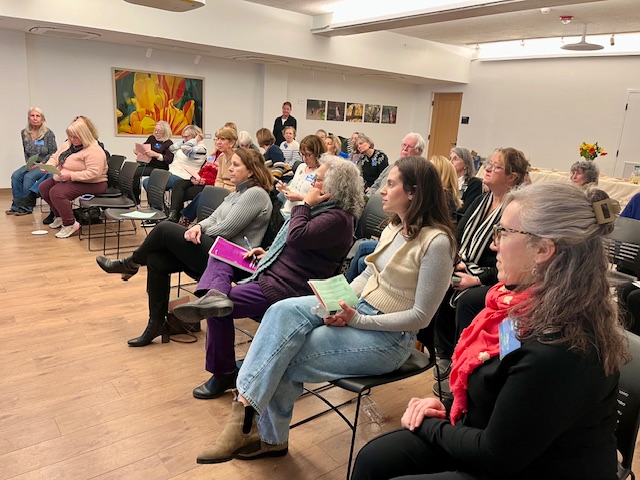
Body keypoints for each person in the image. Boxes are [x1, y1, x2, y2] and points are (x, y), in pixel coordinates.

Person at [352, 182, 628, 480]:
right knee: (375, 459)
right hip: (495, 440)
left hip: (529, 466)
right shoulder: (520, 309)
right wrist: (447, 406)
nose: (494, 244)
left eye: (504, 232)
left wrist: (428, 424)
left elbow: (495, 455)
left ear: (543, 250)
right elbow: (496, 378)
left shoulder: (561, 347)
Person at [190, 156, 456, 464]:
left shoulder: (437, 243)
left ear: (413, 192)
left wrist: (357, 319)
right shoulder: (395, 227)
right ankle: (250, 420)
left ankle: (257, 430)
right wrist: (337, 302)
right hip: (360, 310)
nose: (382, 190)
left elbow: (421, 316)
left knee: (286, 353)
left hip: (389, 339)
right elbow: (368, 276)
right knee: (280, 312)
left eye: (391, 184)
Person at [173, 156, 363, 400]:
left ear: (334, 188)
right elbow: (296, 245)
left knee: (218, 311)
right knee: (222, 254)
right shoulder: (324, 210)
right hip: (273, 268)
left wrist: (304, 203)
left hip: (287, 287)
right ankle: (214, 294)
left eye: (318, 180)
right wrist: (269, 252)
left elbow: (297, 236)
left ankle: (223, 373)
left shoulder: (338, 219)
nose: (312, 184)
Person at [95, 148, 274, 347]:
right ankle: (156, 324)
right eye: (231, 164)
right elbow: (213, 218)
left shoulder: (255, 194)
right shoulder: (238, 192)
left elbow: (226, 229)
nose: (230, 169)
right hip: (217, 251)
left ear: (251, 171)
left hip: (232, 261)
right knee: (156, 260)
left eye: (236, 165)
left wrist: (198, 232)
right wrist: (198, 227)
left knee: (164, 228)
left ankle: (131, 263)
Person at [433, 147, 530, 398]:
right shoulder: (481, 201)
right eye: (488, 163)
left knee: (467, 299)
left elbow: (510, 260)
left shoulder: (516, 211)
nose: (487, 168)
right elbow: (458, 235)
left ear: (512, 177)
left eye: (495, 166)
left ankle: (463, 363)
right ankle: (445, 354)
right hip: (468, 266)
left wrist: (476, 279)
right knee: (440, 280)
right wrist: (455, 262)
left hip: (496, 277)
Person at [38, 119, 107, 239]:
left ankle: (70, 224)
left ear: (84, 136)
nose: (72, 139)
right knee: (44, 188)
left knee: (57, 193)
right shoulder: (68, 144)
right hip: (68, 178)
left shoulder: (94, 150)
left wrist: (71, 176)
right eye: (70, 136)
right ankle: (59, 216)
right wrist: (49, 166)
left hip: (93, 183)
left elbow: (94, 173)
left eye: (75, 137)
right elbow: (55, 157)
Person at [7, 107, 58, 215]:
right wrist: (28, 163)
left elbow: (53, 152)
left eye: (37, 116)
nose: (35, 118)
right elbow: (25, 151)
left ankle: (27, 208)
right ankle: (17, 206)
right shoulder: (24, 133)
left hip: (45, 164)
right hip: (31, 164)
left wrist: (41, 164)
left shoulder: (48, 134)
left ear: (42, 119)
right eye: (32, 115)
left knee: (28, 177)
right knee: (16, 176)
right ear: (28, 118)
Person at [276, 135, 325, 217]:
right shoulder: (301, 166)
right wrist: (284, 189)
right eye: (302, 154)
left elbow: (320, 201)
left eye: (308, 155)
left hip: (301, 215)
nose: (304, 158)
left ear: (318, 154)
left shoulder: (322, 172)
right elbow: (293, 189)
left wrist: (300, 197)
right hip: (286, 211)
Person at [166, 151, 218, 223]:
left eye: (222, 142)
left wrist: (204, 181)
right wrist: (194, 178)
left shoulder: (224, 159)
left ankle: (177, 217)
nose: (218, 144)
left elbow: (218, 180)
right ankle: (173, 213)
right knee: (178, 183)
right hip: (200, 180)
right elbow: (202, 171)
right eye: (216, 142)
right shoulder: (212, 155)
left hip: (208, 185)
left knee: (179, 194)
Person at [132, 120, 174, 203]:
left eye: (159, 131)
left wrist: (156, 155)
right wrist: (138, 151)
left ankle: (135, 200)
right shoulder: (151, 138)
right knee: (133, 171)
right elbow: (144, 148)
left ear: (165, 131)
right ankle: (133, 197)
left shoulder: (169, 143)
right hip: (148, 164)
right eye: (155, 130)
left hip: (160, 168)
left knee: (136, 172)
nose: (156, 132)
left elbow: (169, 159)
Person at [449, 146, 482, 217]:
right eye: (450, 158)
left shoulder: (474, 183)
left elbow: (466, 210)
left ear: (466, 164)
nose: (451, 162)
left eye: (455, 159)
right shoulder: (447, 181)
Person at [213, 127, 239, 191]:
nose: (218, 142)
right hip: (222, 190)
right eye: (217, 139)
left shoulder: (239, 157)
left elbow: (240, 182)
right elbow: (218, 179)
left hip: (234, 191)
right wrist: (218, 191)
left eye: (222, 139)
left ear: (232, 143)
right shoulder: (221, 157)